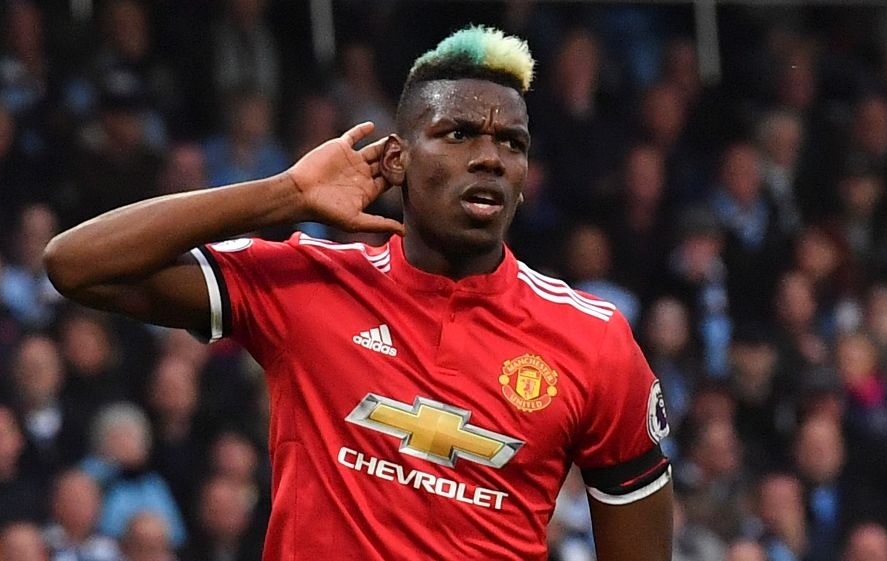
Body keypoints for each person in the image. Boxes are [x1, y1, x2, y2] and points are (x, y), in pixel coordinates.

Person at [44, 25, 673, 560]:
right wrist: (285, 194)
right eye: (458, 134)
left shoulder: (593, 339)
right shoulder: (305, 283)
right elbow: (77, 264)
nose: (490, 158)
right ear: (396, 160)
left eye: (512, 142)